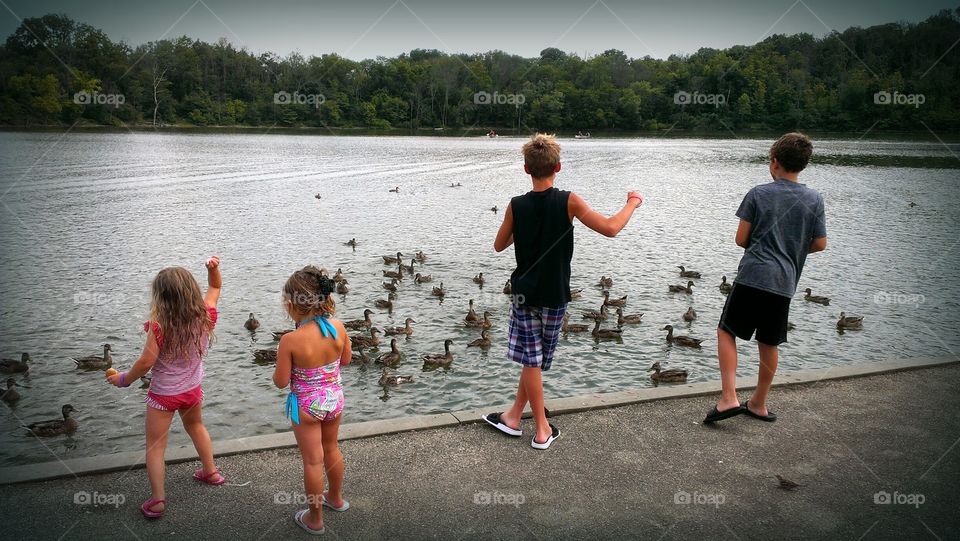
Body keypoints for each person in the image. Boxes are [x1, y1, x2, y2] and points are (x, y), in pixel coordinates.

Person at [483, 133, 643, 449]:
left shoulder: (516, 206)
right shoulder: (569, 201)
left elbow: (499, 245)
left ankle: (530, 424)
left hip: (524, 294)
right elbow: (611, 228)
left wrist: (524, 227)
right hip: (556, 295)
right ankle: (522, 420)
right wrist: (632, 202)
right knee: (534, 360)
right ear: (558, 166)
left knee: (532, 361)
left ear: (526, 169)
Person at [704, 132, 827, 424]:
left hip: (753, 275)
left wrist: (764, 246)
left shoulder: (759, 193)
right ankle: (758, 403)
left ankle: (729, 398)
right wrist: (793, 248)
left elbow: (741, 238)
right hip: (784, 282)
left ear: (774, 162)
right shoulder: (814, 198)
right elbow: (821, 243)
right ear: (803, 165)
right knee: (769, 343)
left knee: (726, 331)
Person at [107, 256, 224, 519]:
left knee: (155, 447)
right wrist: (213, 270)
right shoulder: (206, 315)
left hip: (163, 396)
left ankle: (158, 501)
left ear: (160, 297)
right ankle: (211, 472)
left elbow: (146, 361)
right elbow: (216, 288)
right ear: (192, 290)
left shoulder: (159, 326)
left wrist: (124, 379)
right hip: (193, 390)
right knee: (197, 426)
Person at [273, 265, 352, 535]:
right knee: (331, 449)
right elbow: (346, 360)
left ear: (293, 304)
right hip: (335, 399)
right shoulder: (339, 327)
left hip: (306, 406)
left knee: (312, 461)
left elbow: (281, 381)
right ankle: (336, 498)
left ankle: (315, 519)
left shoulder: (290, 340)